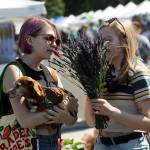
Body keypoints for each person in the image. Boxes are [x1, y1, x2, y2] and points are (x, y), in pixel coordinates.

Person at [2, 17, 78, 150]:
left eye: (56, 40)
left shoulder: (52, 73)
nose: (54, 44)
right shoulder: (15, 71)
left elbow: (72, 118)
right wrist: (58, 114)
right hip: (25, 144)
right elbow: (24, 120)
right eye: (48, 38)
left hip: (55, 142)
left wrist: (65, 116)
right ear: (29, 40)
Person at [84, 18, 150, 150]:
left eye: (108, 40)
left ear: (124, 41)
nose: (102, 45)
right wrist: (90, 92)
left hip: (131, 145)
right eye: (100, 41)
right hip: (101, 144)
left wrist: (112, 111)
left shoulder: (137, 73)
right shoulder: (101, 74)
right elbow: (91, 122)